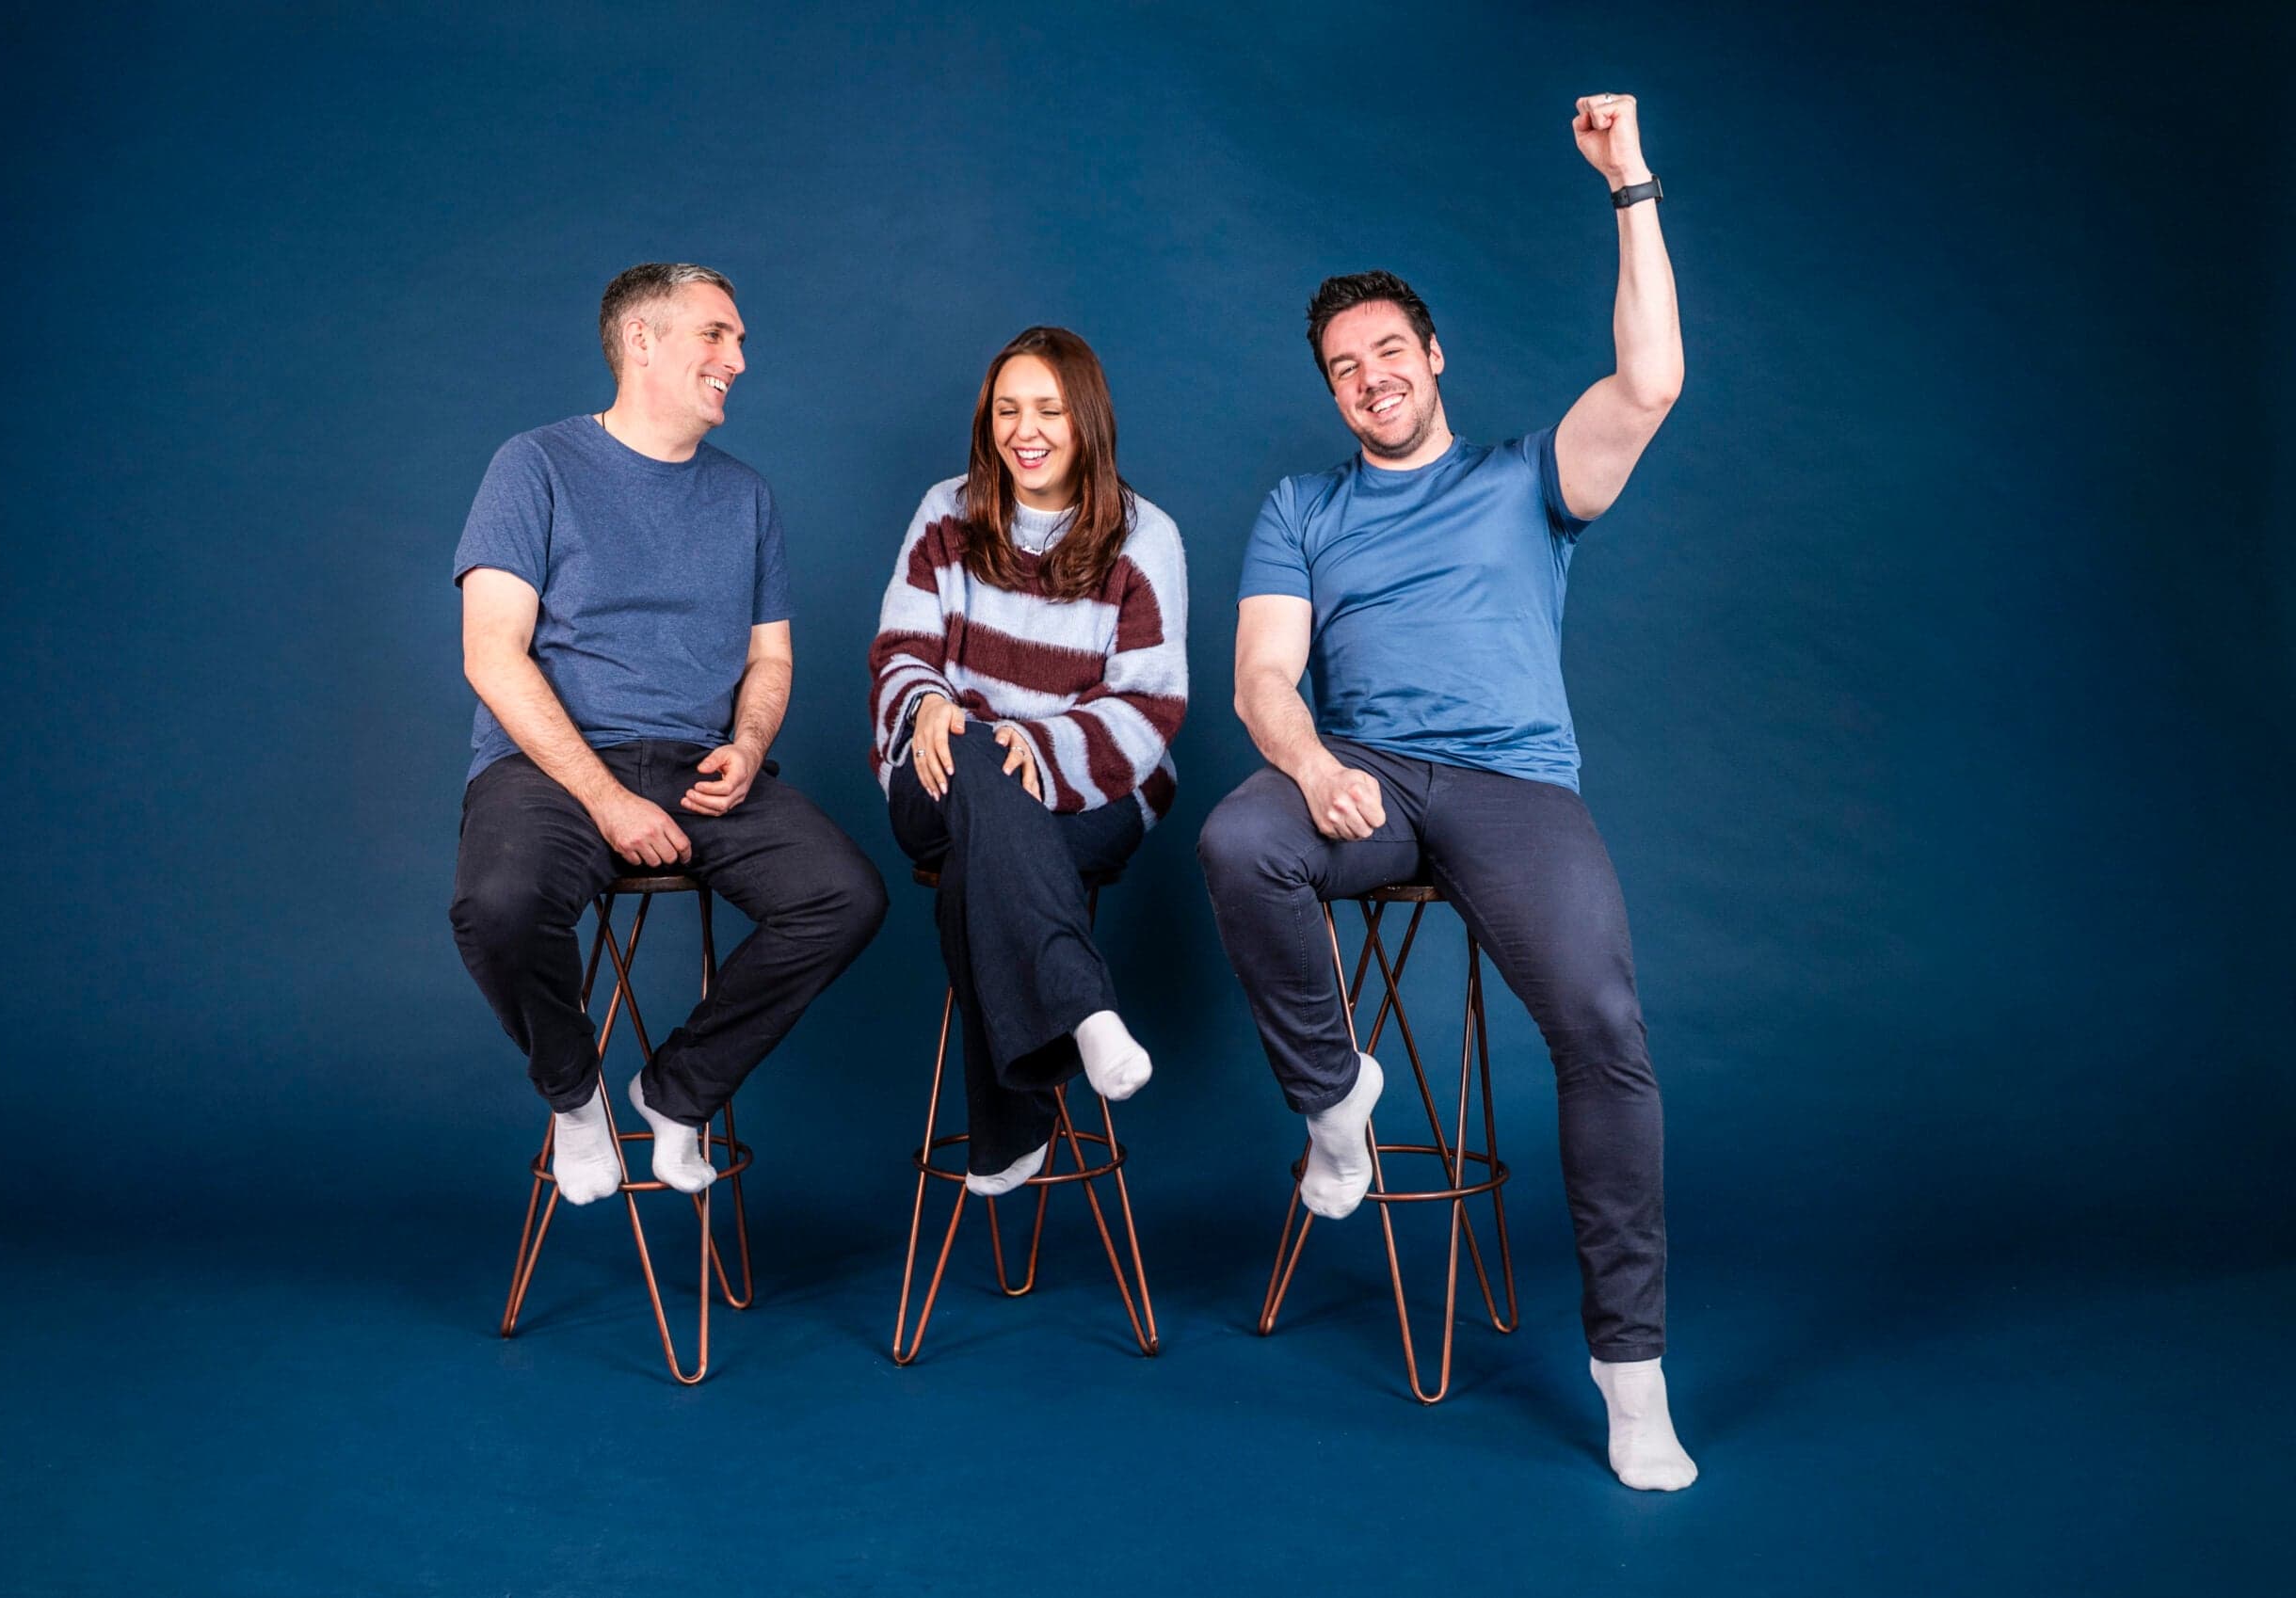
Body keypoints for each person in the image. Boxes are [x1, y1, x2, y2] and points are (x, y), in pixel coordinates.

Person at [1196, 96, 1697, 1490]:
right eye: (1343, 369)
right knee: (1238, 841)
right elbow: (1261, 679)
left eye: (1387, 354)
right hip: (1365, 775)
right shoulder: (1303, 508)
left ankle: (1632, 1376)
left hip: (1512, 784)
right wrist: (1312, 764)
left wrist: (1630, 185)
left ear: (1432, 358)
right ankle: (1334, 1099)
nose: (1369, 380)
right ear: (1331, 392)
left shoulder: (1525, 476)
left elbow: (1651, 382)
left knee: (1604, 1031)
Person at [449, 263, 886, 1207]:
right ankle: (575, 1098)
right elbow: (491, 653)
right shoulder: (534, 464)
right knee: (498, 906)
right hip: (551, 766)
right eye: (716, 334)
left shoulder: (746, 496)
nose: (739, 359)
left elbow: (770, 658)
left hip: (696, 764)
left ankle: (678, 1090)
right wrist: (606, 801)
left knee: (844, 897)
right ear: (641, 340)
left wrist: (748, 742)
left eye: (740, 340)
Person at [868, 327, 1188, 1194]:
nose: (1025, 431)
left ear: (1086, 420)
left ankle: (1012, 1128)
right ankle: (1085, 1007)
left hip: (1094, 791)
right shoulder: (946, 511)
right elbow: (900, 651)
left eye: (1048, 409)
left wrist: (1040, 748)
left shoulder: (1145, 536)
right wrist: (928, 704)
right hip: (941, 772)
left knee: (983, 864)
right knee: (973, 750)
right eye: (1007, 410)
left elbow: (1150, 704)